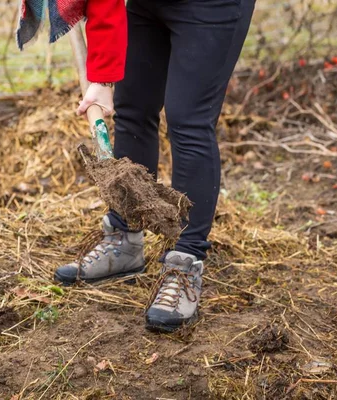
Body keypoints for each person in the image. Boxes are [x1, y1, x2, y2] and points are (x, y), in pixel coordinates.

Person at [55, 0, 256, 333]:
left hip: (212, 7)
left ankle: (185, 262)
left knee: (188, 121)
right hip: (145, 5)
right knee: (133, 107)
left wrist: (102, 78)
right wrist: (103, 80)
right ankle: (124, 238)